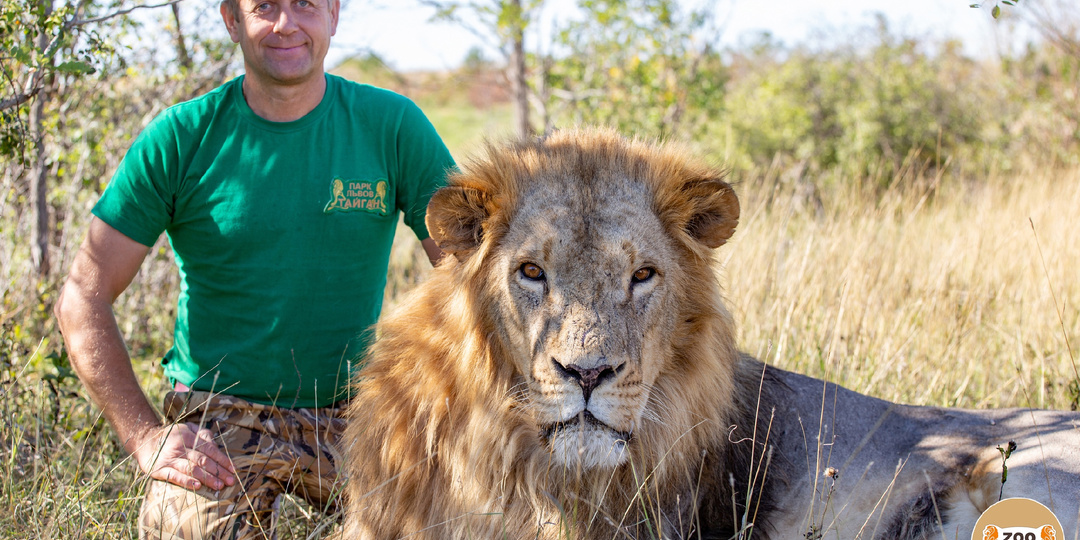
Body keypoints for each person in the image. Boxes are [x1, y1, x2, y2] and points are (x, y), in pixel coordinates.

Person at [52, 0, 456, 537]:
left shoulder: (391, 125)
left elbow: (470, 270)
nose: (286, 23)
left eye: (306, 5)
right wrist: (145, 438)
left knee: (453, 521)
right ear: (231, 19)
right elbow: (83, 295)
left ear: (333, 14)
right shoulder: (181, 137)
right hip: (218, 417)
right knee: (188, 530)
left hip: (359, 410)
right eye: (264, 6)